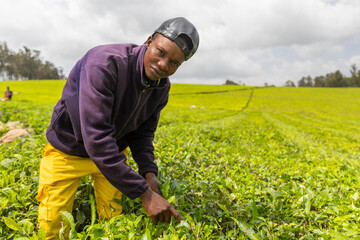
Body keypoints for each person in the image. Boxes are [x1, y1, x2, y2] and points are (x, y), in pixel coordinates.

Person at [36, 17, 199, 238]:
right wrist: (145, 194)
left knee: (113, 224)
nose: (164, 65)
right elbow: (96, 138)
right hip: (68, 149)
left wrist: (148, 172)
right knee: (51, 229)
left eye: (174, 63)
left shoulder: (161, 87)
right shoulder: (104, 64)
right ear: (149, 40)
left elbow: (143, 132)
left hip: (112, 155)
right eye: (161, 52)